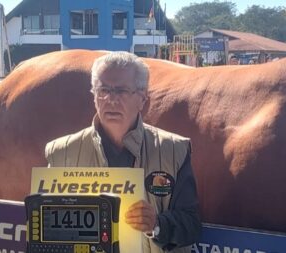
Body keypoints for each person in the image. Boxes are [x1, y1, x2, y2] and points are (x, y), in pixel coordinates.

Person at [45, 52, 201, 253]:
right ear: (94, 96)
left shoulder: (174, 149)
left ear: (142, 98)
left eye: (121, 91)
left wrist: (157, 224)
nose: (110, 99)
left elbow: (192, 224)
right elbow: (48, 226)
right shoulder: (61, 152)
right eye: (103, 90)